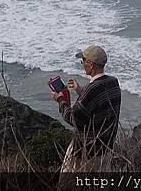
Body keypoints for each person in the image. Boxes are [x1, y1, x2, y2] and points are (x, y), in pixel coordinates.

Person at [51, 45, 121, 174]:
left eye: (83, 61)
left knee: (70, 183)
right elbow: (99, 101)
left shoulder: (92, 89)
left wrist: (61, 101)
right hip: (105, 149)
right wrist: (80, 91)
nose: (82, 64)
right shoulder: (113, 82)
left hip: (86, 152)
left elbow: (74, 119)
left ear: (90, 64)